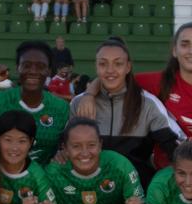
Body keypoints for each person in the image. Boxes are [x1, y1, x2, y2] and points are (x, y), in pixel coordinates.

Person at [69, 38, 185, 185]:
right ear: (96, 67)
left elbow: (177, 149)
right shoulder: (79, 103)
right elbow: (66, 148)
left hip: (136, 193)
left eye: (118, 63)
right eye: (103, 64)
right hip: (90, 193)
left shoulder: (148, 104)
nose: (110, 70)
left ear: (128, 67)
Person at [0, 41, 72, 165]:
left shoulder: (61, 107)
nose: (33, 71)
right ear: (17, 68)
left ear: (49, 71)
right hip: (2, 179)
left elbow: (67, 148)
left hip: (44, 180)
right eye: (26, 65)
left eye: (40, 66)